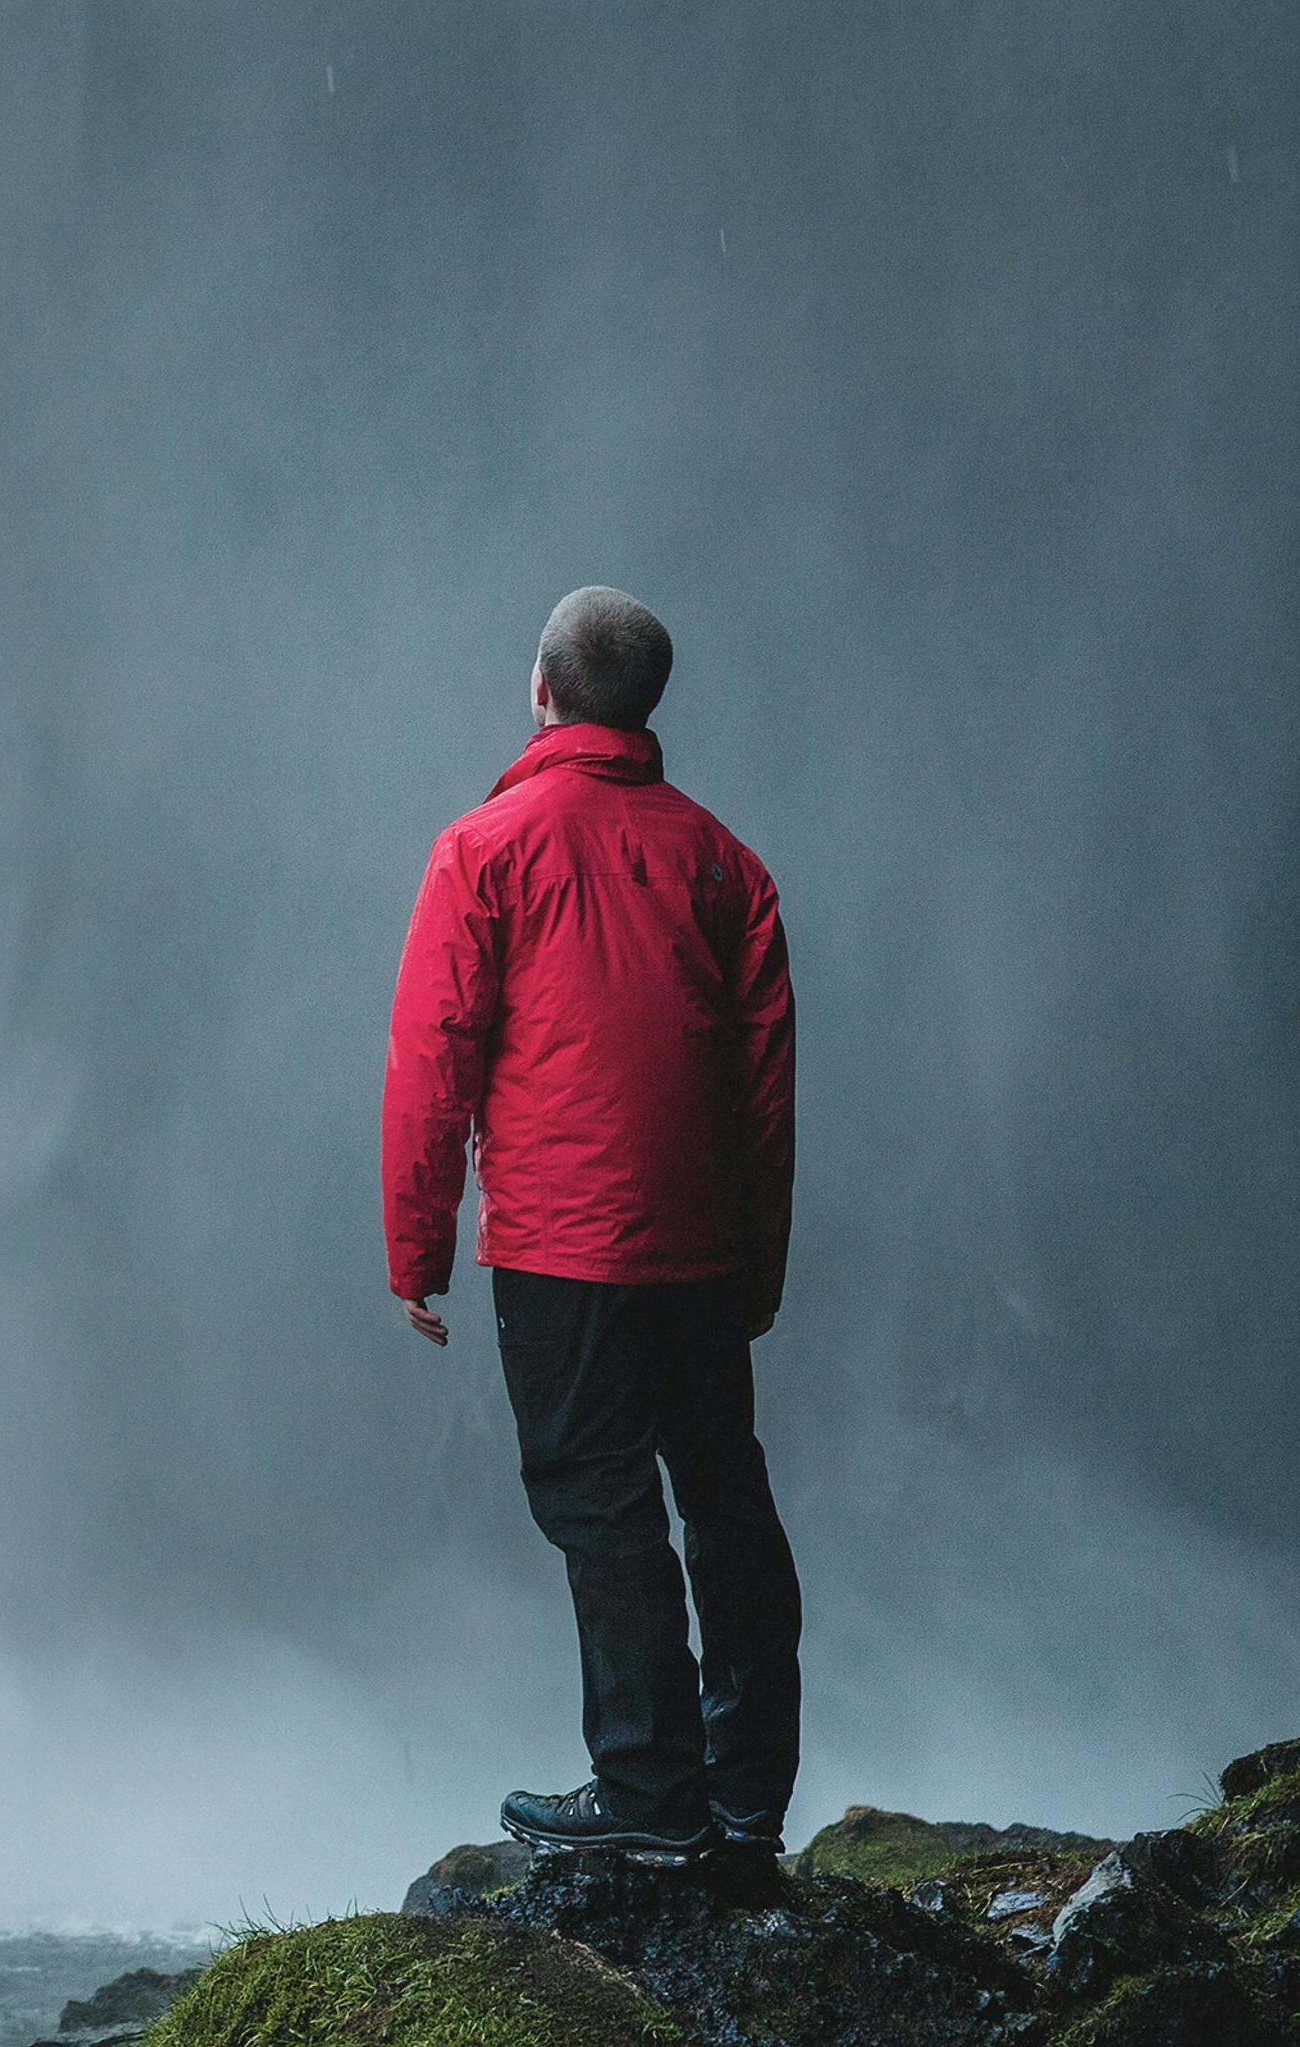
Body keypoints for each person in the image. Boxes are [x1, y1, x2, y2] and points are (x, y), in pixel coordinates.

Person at [381, 586, 803, 1867]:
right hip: (698, 1246)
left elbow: (431, 1059)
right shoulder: (728, 862)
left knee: (597, 1502)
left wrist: (417, 1249)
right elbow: (766, 1087)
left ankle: (645, 1788)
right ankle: (747, 1796)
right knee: (723, 1495)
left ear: (542, 690)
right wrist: (757, 1268)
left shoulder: (484, 848)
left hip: (561, 1247)